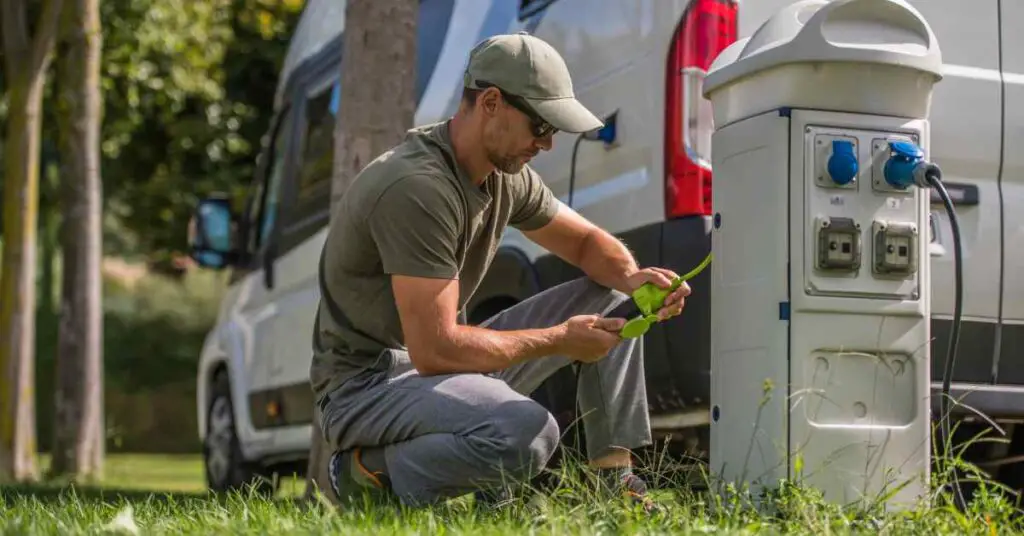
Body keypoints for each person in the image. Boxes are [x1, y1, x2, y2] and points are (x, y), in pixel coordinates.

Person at [309, 32, 690, 511]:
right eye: (540, 125)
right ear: (491, 103)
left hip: (433, 367)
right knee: (528, 432)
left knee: (614, 298)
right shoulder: (417, 188)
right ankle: (366, 474)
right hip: (366, 387)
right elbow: (435, 349)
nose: (547, 143)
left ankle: (613, 488)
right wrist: (560, 340)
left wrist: (633, 278)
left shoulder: (505, 175)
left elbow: (585, 242)